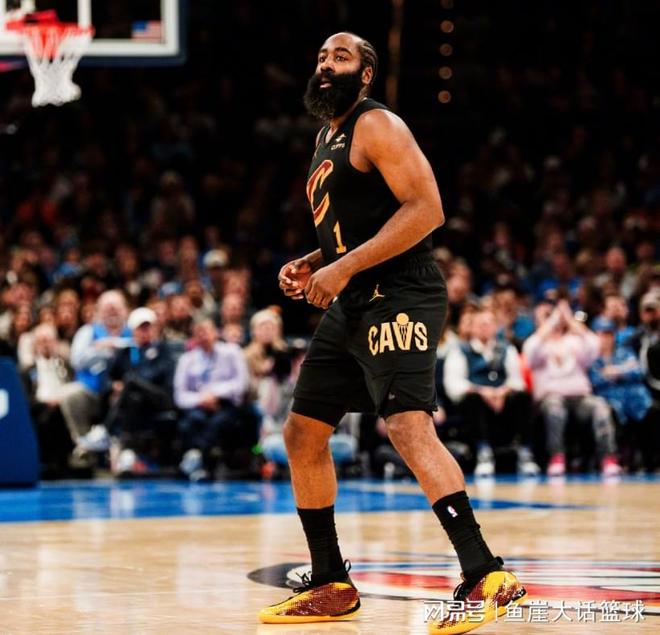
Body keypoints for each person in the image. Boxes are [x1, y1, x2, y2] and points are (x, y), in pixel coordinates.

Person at [258, 32, 526, 634]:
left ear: (366, 74)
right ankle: (330, 582)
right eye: (321, 56)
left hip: (401, 290)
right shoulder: (326, 136)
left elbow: (427, 210)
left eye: (341, 57)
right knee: (302, 432)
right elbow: (360, 227)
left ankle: (485, 573)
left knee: (407, 425)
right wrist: (315, 260)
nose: (326, 64)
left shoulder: (377, 124)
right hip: (355, 295)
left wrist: (342, 267)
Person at [523, 300, 622, 477]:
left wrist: (569, 319)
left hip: (580, 397)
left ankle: (608, 458)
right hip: (550, 397)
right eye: (547, 316)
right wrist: (551, 321)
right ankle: (557, 457)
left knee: (600, 407)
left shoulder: (574, 341)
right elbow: (529, 353)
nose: (554, 320)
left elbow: (595, 344)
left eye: (554, 315)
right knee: (555, 408)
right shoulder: (538, 343)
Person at [443, 309, 539, 477]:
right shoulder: (460, 350)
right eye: (481, 324)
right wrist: (483, 392)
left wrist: (502, 392)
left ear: (495, 327)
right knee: (472, 399)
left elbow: (517, 380)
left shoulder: (506, 349)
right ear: (472, 327)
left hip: (502, 400)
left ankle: (525, 453)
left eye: (489, 324)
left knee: (523, 397)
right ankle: (483, 453)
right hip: (476, 402)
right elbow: (454, 384)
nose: (485, 327)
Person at [173, 319, 252, 481]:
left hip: (226, 404)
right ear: (194, 337)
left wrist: (216, 393)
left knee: (219, 422)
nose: (204, 336)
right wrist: (201, 399)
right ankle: (202, 463)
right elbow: (179, 395)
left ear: (216, 332)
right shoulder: (187, 359)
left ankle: (198, 459)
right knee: (192, 421)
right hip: (198, 405)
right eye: (199, 332)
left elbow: (241, 383)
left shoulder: (232, 352)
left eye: (207, 331)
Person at [106, 307, 177, 475]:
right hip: (137, 403)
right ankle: (129, 453)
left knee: (131, 380)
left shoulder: (162, 350)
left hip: (160, 397)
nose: (145, 332)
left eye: (148, 328)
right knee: (133, 396)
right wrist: (114, 386)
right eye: (141, 328)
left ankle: (106, 430)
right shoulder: (125, 352)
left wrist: (131, 381)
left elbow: (156, 375)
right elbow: (107, 378)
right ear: (133, 331)